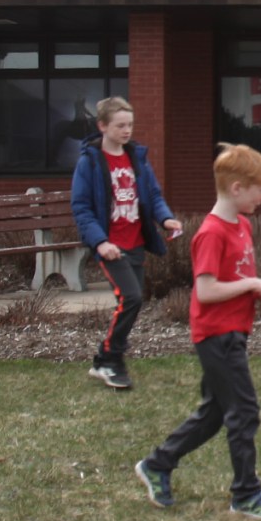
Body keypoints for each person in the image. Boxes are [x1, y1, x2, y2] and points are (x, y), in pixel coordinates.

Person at [133, 143, 261, 519]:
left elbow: (235, 279)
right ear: (237, 188)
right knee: (244, 411)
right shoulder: (211, 232)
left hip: (234, 330)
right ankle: (246, 493)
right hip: (216, 336)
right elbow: (206, 290)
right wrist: (252, 285)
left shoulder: (243, 225)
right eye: (260, 189)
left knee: (216, 413)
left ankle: (157, 464)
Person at [69, 96, 183, 390]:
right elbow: (81, 208)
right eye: (120, 125)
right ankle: (112, 361)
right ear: (102, 126)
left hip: (135, 243)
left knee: (130, 302)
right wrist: (101, 242)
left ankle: (104, 358)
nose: (126, 130)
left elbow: (153, 196)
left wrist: (166, 219)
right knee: (131, 298)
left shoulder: (137, 158)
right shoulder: (90, 162)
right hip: (111, 246)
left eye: (130, 125)